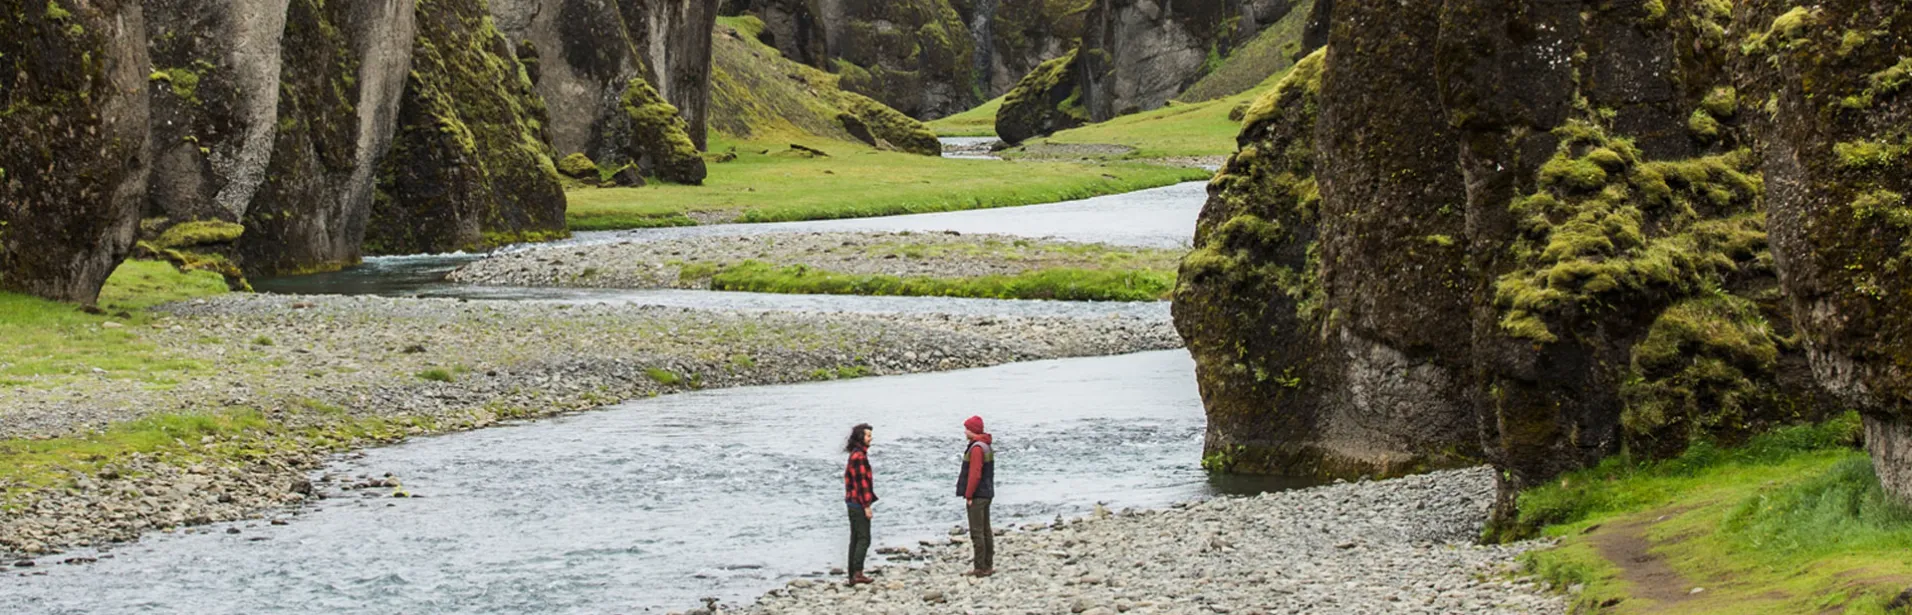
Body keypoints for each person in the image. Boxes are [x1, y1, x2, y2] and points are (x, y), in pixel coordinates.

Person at [957, 415, 995, 577]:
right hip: (987, 492)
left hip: (978, 495)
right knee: (986, 530)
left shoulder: (976, 449)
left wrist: (969, 494)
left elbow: (974, 474)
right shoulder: (985, 446)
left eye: (966, 428)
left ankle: (980, 567)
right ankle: (988, 564)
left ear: (972, 431)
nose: (964, 431)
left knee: (977, 531)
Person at [843, 423, 877, 585]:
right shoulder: (860, 457)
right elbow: (861, 484)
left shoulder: (855, 454)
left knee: (855, 538)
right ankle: (858, 572)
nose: (871, 439)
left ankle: (852, 574)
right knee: (864, 538)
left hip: (851, 502)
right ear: (860, 437)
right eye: (868, 436)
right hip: (858, 503)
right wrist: (867, 506)